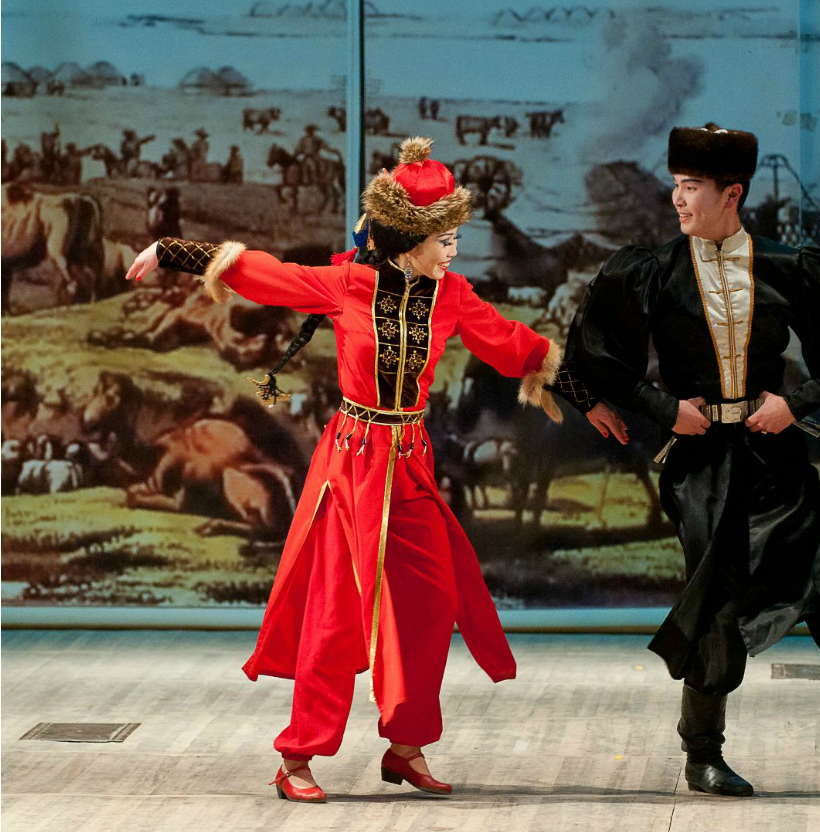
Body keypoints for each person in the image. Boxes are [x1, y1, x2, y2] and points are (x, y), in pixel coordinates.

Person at [125, 136, 562, 801]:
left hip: (410, 465)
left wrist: (593, 395)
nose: (454, 250)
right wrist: (174, 251)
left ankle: (406, 745)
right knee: (333, 617)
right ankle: (297, 757)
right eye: (444, 238)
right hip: (352, 464)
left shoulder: (450, 295)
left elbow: (512, 344)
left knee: (426, 608)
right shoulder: (347, 284)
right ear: (410, 239)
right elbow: (264, 273)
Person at [557, 123, 820, 796]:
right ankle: (702, 754)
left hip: (774, 452)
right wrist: (664, 408)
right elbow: (591, 357)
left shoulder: (790, 268)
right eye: (676, 185)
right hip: (701, 464)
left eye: (692, 187)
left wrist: (795, 401)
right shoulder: (652, 271)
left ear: (733, 193)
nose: (678, 199)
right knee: (715, 600)